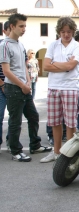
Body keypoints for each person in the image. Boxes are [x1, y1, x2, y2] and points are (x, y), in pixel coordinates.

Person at [0, 13, 52, 161]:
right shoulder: (4, 45)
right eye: (21, 26)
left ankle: (35, 145)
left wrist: (28, 82)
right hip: (13, 88)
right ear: (12, 26)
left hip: (24, 87)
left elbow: (24, 66)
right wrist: (22, 85)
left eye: (25, 26)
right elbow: (6, 71)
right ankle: (16, 151)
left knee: (33, 116)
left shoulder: (21, 45)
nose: (24, 29)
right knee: (15, 121)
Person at [41, 17, 79, 163]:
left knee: (70, 122)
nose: (66, 34)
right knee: (55, 122)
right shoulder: (53, 45)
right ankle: (56, 151)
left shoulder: (77, 46)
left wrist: (56, 64)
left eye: (69, 31)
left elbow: (71, 66)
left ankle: (68, 155)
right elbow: (45, 66)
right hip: (53, 87)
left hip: (70, 87)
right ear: (59, 31)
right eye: (63, 31)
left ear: (73, 31)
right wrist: (64, 65)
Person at [0, 21, 11, 153]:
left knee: (14, 118)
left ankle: (11, 141)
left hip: (14, 87)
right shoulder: (2, 45)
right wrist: (2, 84)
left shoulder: (19, 46)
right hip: (2, 87)